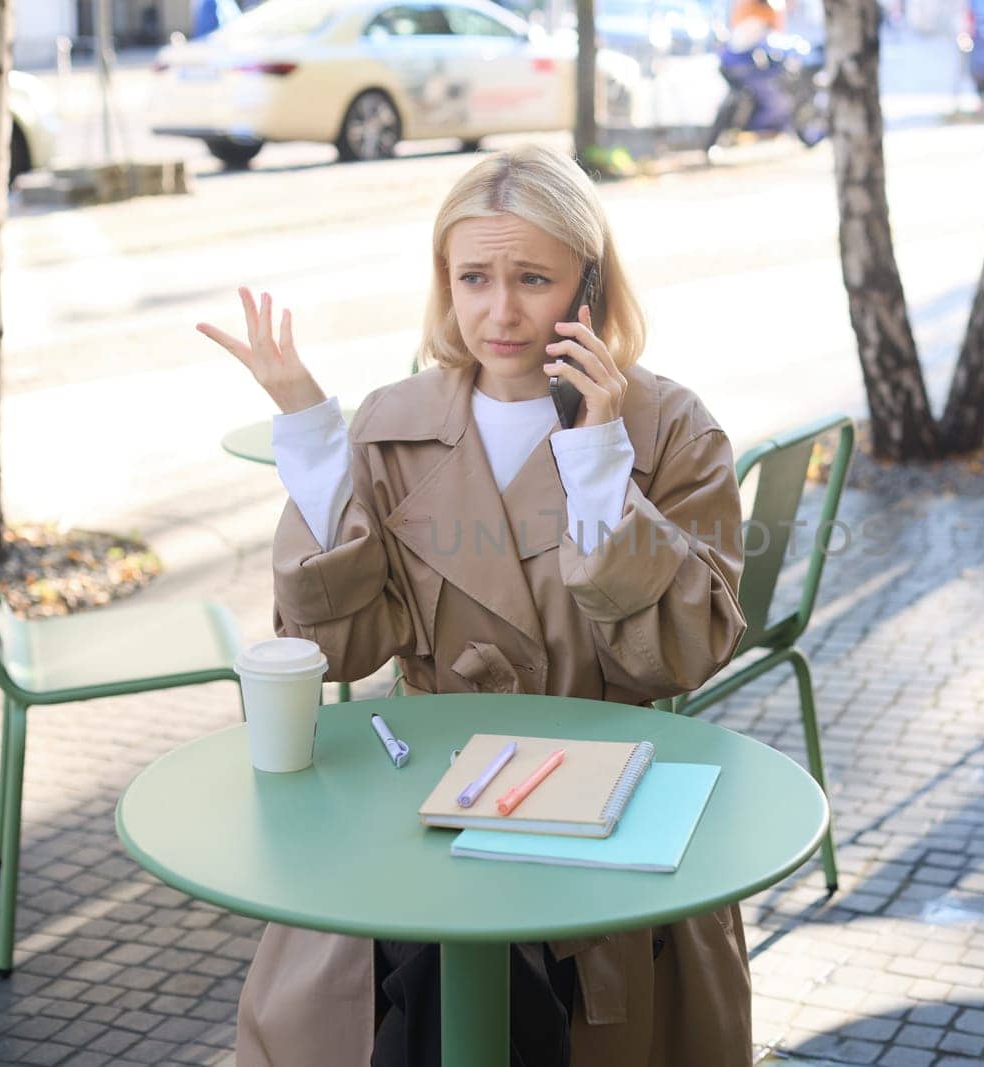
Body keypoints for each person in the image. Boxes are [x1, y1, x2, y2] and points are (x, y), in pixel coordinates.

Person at [197, 144, 751, 1066]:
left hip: (606, 794)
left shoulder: (671, 428)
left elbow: (686, 652)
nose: (502, 310)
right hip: (424, 791)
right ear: (443, 284)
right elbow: (341, 645)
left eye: (533, 277)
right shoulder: (390, 422)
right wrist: (313, 442)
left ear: (590, 282)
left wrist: (601, 455)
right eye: (475, 277)